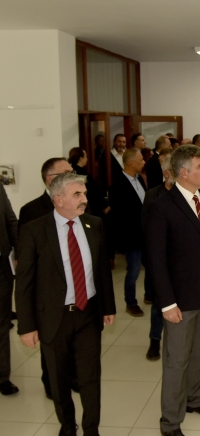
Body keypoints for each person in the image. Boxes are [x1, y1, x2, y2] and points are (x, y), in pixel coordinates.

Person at [16, 172, 116, 436]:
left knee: (90, 376)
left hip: (88, 313)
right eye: (77, 195)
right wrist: (26, 326)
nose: (84, 199)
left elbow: (102, 271)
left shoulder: (94, 224)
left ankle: (91, 428)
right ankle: (68, 426)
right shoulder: (34, 231)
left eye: (83, 193)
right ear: (58, 199)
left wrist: (108, 307)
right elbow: (24, 283)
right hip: (53, 316)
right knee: (58, 378)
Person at [146, 145, 200, 436]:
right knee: (176, 361)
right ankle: (170, 422)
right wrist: (167, 303)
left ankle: (195, 400)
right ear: (183, 172)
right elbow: (155, 260)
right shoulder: (161, 207)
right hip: (180, 300)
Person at [18, 157, 80, 399]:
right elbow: (27, 264)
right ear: (50, 179)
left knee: (74, 342)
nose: (72, 176)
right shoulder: (31, 211)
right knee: (52, 344)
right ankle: (52, 383)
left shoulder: (80, 203)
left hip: (78, 289)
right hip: (49, 293)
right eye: (67, 173)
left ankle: (73, 376)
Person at [142, 152, 174, 361]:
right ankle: (155, 340)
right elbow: (146, 228)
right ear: (166, 173)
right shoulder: (153, 195)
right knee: (158, 303)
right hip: (159, 259)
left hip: (181, 260)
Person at [108, 148, 147, 317]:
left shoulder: (141, 180)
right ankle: (130, 302)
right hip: (131, 236)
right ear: (131, 163)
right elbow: (120, 214)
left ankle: (150, 295)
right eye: (141, 160)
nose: (144, 162)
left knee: (152, 267)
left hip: (146, 234)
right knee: (134, 270)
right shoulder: (117, 185)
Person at [0, 184, 18, 396]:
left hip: (1, 268)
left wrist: (20, 252)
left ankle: (2, 376)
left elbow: (11, 220)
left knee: (2, 323)